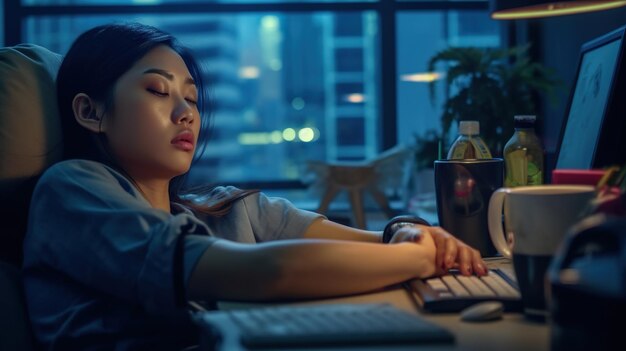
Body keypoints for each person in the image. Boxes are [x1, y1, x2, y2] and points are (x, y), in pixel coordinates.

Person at [22, 22, 486, 350]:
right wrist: (417, 256)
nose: (186, 112)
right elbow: (270, 273)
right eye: (158, 91)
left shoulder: (220, 208)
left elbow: (368, 241)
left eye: (192, 98)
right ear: (90, 112)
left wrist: (406, 231)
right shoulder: (71, 190)